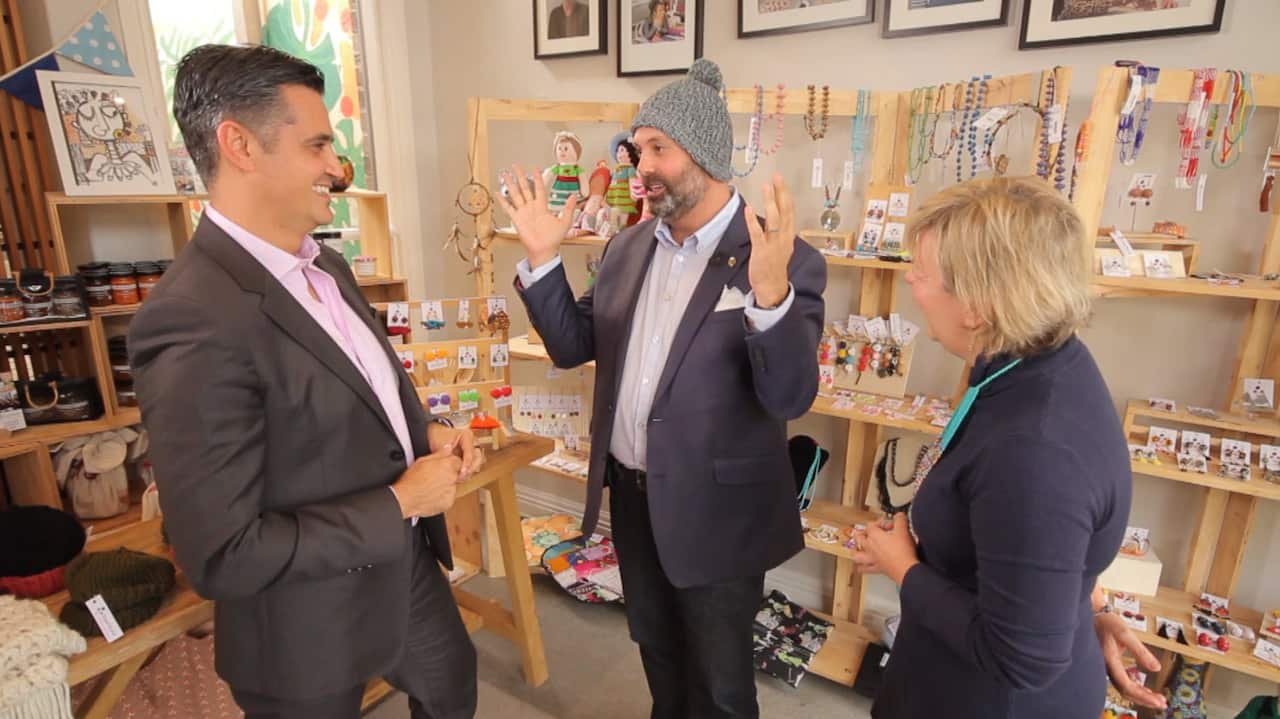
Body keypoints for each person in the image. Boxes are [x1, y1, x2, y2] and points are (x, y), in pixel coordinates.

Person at [128, 44, 482, 719]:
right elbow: (222, 553)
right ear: (239, 144)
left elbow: (364, 388)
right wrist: (402, 498)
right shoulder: (189, 318)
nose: (335, 166)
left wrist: (425, 432)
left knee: (451, 685)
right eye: (317, 145)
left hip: (401, 571)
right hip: (299, 622)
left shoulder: (329, 267)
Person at [498, 58, 825, 719]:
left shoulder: (776, 256)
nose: (639, 166)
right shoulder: (626, 248)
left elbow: (789, 395)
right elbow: (571, 345)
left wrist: (770, 296)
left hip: (719, 514)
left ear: (704, 155)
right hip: (636, 501)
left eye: (657, 149)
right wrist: (542, 260)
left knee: (722, 687)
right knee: (659, 656)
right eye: (636, 148)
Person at [851, 176, 1165, 718]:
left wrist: (904, 567)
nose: (910, 281)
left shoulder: (1032, 450)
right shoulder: (1037, 362)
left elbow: (1020, 657)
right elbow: (1049, 539)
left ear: (975, 306)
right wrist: (1081, 602)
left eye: (922, 274)